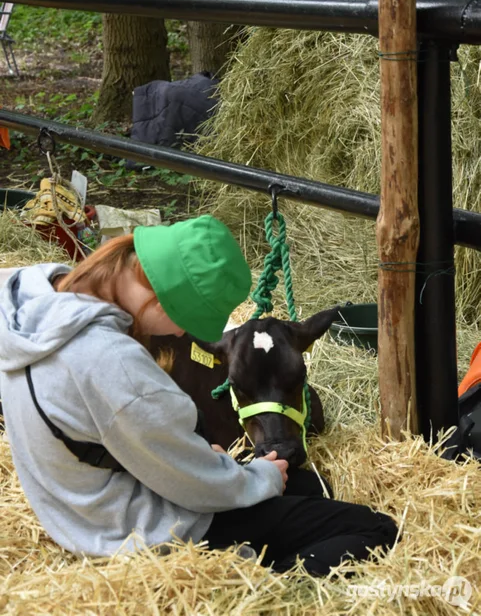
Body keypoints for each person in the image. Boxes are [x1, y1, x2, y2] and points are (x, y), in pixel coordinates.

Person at [0, 215, 398, 576]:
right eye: (182, 321)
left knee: (307, 487)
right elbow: (198, 485)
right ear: (160, 297)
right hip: (142, 534)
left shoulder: (30, 299)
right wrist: (256, 477)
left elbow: (142, 446)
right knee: (374, 529)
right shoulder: (108, 360)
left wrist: (210, 462)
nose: (177, 335)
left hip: (81, 509)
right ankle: (265, 588)